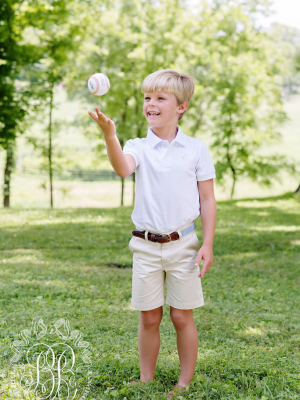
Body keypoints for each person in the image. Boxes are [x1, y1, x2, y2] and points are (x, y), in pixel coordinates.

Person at [88, 69, 216, 399]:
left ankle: (184, 383)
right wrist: (109, 136)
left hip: (184, 245)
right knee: (149, 317)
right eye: (147, 98)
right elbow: (122, 168)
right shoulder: (138, 146)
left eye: (160, 98)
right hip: (145, 246)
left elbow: (207, 199)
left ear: (181, 106)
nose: (151, 104)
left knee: (181, 316)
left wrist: (208, 244)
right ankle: (146, 380)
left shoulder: (196, 149)